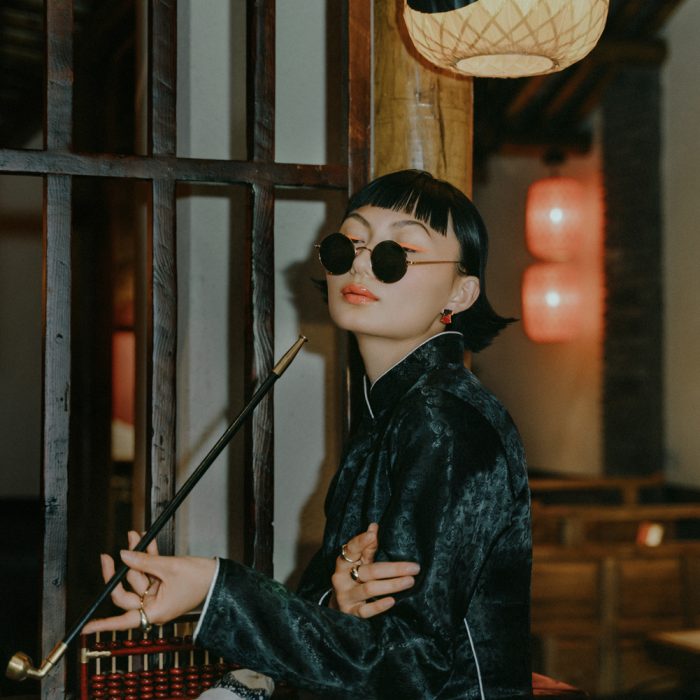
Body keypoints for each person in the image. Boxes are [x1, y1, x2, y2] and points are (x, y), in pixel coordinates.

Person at [85, 170, 532, 699]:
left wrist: (215, 589)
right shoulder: (396, 407)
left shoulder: (444, 421)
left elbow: (413, 664)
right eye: (350, 244)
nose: (361, 264)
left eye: (397, 254)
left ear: (461, 291)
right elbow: (361, 626)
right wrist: (335, 600)